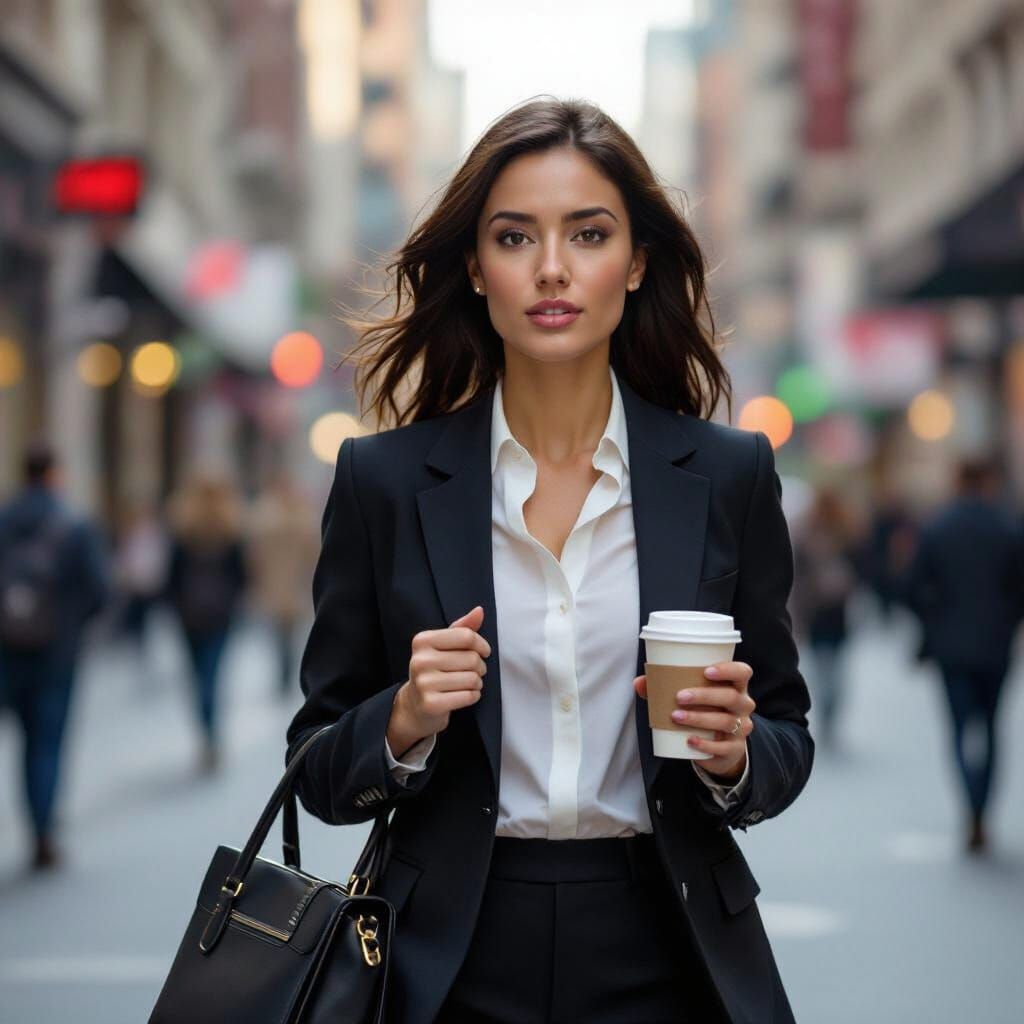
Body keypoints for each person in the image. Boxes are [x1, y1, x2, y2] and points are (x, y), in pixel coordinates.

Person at [286, 97, 813, 1024]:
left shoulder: (729, 475)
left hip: (668, 943)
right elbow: (318, 766)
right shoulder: (384, 480)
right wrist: (404, 719)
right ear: (477, 271)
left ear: (638, 261)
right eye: (517, 237)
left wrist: (735, 756)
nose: (554, 269)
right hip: (445, 957)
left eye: (590, 233)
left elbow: (785, 735)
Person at [904, 458, 1024, 855]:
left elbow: (913, 585)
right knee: (990, 727)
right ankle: (982, 808)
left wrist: (934, 621)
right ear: (988, 480)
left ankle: (970, 805)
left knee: (958, 728)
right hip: (995, 645)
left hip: (951, 647)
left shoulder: (938, 527)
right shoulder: (1007, 526)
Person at [0, 442, 109, 869]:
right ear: (54, 473)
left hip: (8, 650)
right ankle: (42, 829)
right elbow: (99, 592)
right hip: (57, 655)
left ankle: (36, 821)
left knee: (23, 738)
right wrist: (70, 625)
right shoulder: (73, 525)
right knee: (46, 741)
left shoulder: (5, 520)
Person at [165, 473, 247, 772]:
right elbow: (241, 574)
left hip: (189, 615)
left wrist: (174, 606)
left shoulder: (183, 527)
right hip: (220, 615)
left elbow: (171, 575)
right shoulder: (230, 526)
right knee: (212, 673)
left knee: (197, 673)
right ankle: (210, 731)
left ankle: (205, 728)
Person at [791, 486, 861, 750]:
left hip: (829, 612)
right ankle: (829, 714)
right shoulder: (815, 533)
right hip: (824, 612)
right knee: (830, 670)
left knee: (830, 671)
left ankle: (830, 714)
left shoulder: (843, 532)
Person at [246, 473, 319, 698]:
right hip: (291, 585)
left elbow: (254, 554)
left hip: (277, 584)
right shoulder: (303, 518)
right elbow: (315, 553)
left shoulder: (263, 517)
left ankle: (283, 672)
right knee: (286, 634)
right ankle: (285, 672)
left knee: (280, 634)